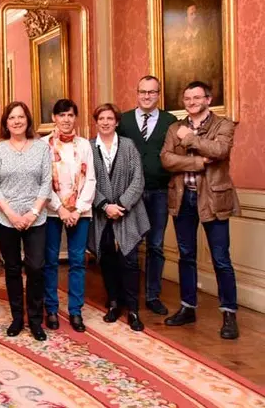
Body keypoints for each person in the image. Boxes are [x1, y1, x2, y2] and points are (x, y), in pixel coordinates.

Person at [160, 81, 240, 339]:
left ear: (208, 99)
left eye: (196, 97)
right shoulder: (175, 127)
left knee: (220, 258)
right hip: (183, 200)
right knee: (186, 255)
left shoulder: (223, 124)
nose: (192, 102)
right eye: (187, 98)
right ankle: (187, 307)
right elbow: (166, 159)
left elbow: (220, 150)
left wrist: (189, 139)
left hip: (213, 199)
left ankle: (229, 314)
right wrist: (197, 161)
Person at [0, 102, 51, 341]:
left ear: (28, 120)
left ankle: (35, 320)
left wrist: (32, 213)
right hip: (6, 219)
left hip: (36, 217)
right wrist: (12, 215)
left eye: (21, 117)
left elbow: (46, 182)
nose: (16, 121)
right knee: (12, 268)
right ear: (6, 122)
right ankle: (17, 318)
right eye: (12, 117)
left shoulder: (41, 148)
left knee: (36, 267)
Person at [117, 76, 177, 315]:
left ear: (158, 94)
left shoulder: (170, 121)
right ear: (137, 93)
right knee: (129, 245)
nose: (147, 96)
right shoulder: (124, 121)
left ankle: (153, 296)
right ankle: (126, 295)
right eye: (142, 91)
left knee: (156, 245)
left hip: (160, 192)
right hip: (131, 194)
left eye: (152, 92)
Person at [88, 104, 150, 332]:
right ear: (96, 122)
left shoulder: (128, 146)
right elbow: (84, 181)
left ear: (116, 122)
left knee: (130, 260)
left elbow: (138, 179)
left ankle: (133, 309)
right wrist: (105, 205)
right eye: (101, 118)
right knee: (107, 259)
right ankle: (114, 303)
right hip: (101, 214)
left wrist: (121, 205)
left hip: (128, 212)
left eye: (109, 118)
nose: (105, 122)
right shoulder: (88, 147)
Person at [41, 99, 96, 333]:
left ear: (75, 118)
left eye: (70, 115)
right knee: (50, 261)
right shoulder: (43, 145)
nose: (66, 120)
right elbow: (43, 182)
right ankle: (51, 310)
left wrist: (78, 209)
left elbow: (91, 179)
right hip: (53, 212)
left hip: (80, 212)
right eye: (61, 115)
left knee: (77, 262)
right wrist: (61, 209)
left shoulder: (84, 145)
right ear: (54, 117)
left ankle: (75, 311)